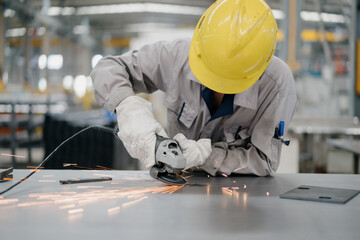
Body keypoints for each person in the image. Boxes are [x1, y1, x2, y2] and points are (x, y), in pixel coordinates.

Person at [90, 0, 297, 177]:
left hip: (241, 200)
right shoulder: (176, 57)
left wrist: (207, 155)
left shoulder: (276, 86)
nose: (215, 85)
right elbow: (107, 68)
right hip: (178, 187)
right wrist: (127, 106)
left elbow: (264, 160)